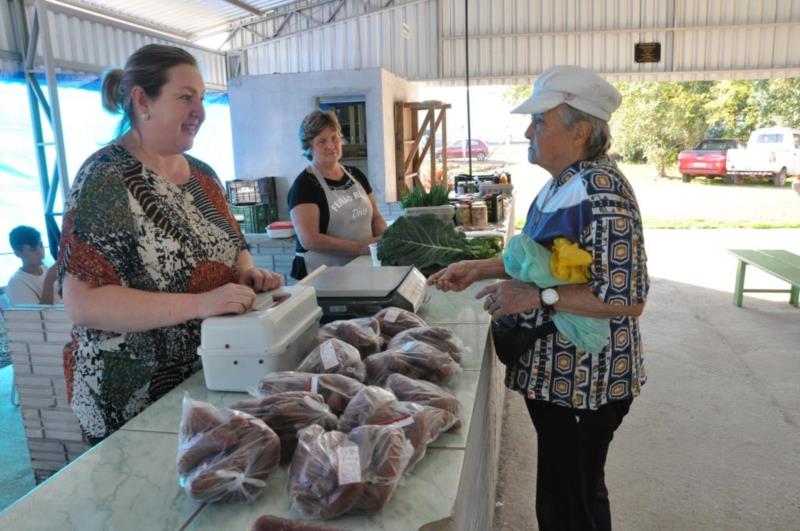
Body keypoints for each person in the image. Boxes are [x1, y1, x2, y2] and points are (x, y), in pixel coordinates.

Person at [428, 65, 649, 531]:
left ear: (581, 131)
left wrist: (536, 297)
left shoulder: (599, 190)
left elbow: (626, 297)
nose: (528, 130)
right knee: (576, 493)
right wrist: (478, 269)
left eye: (540, 121)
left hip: (586, 383)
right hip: (561, 382)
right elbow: (536, 259)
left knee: (568, 507)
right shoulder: (561, 183)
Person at [57, 44, 282, 443]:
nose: (200, 111)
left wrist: (247, 274)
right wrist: (200, 304)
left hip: (207, 380)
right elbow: (82, 303)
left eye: (200, 97)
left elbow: (234, 245)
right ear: (142, 100)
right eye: (185, 97)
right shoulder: (105, 178)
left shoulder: (204, 176)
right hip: (130, 397)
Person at [288, 110, 387, 279]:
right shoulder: (304, 186)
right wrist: (358, 247)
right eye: (321, 141)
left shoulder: (356, 175)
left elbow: (376, 218)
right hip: (323, 277)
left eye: (334, 138)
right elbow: (310, 240)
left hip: (362, 268)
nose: (330, 145)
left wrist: (387, 241)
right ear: (308, 147)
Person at [6, 225, 59, 305]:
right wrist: (49, 280)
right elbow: (36, 316)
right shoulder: (16, 283)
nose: (40, 252)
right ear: (18, 254)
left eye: (41, 246)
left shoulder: (45, 267)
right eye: (33, 249)